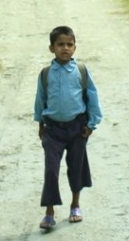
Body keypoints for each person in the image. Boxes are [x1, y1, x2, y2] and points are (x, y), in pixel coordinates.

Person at [34, 25, 102, 230]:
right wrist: (40, 123)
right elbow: (40, 99)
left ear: (75, 47)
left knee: (76, 167)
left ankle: (75, 205)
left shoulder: (81, 71)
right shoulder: (46, 73)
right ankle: (49, 212)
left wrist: (91, 124)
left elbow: (92, 96)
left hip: (77, 128)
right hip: (53, 130)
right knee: (51, 171)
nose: (65, 48)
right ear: (51, 48)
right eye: (60, 44)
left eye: (69, 44)